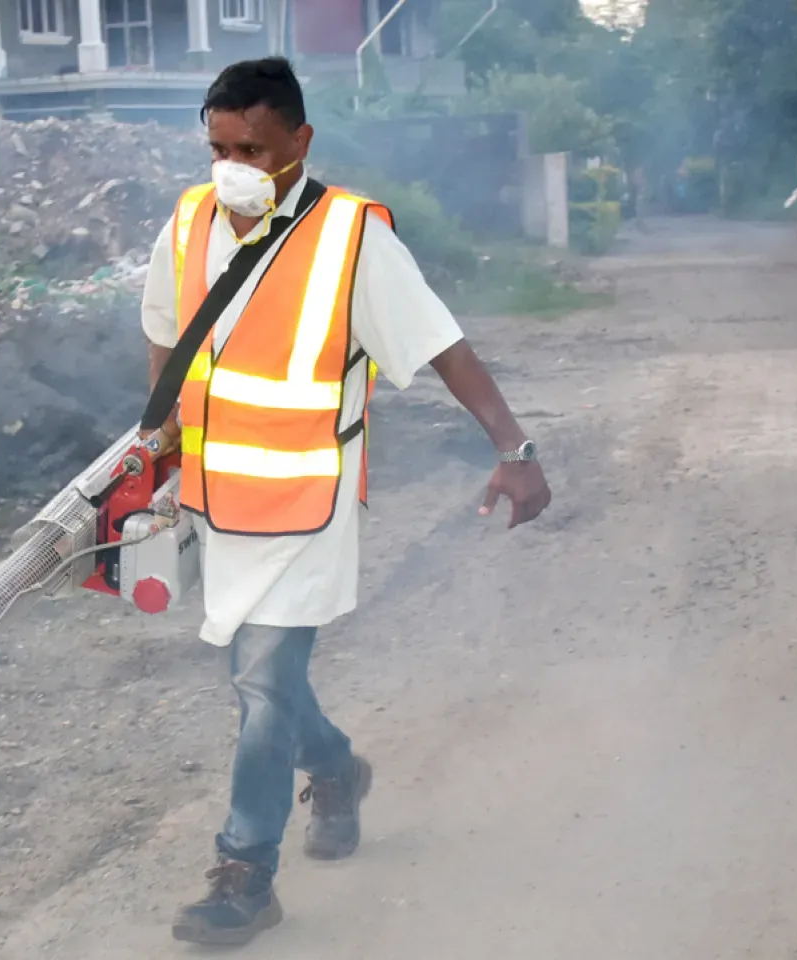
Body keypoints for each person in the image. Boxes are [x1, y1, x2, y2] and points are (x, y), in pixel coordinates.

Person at [139, 57, 553, 946]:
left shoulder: (350, 237)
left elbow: (441, 344)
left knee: (261, 682)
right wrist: (159, 440)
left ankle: (246, 873)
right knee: (260, 679)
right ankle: (333, 768)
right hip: (218, 501)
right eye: (218, 149)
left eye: (252, 150)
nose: (232, 169)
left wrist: (514, 449)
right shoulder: (188, 221)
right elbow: (166, 336)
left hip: (307, 503)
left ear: (300, 140)